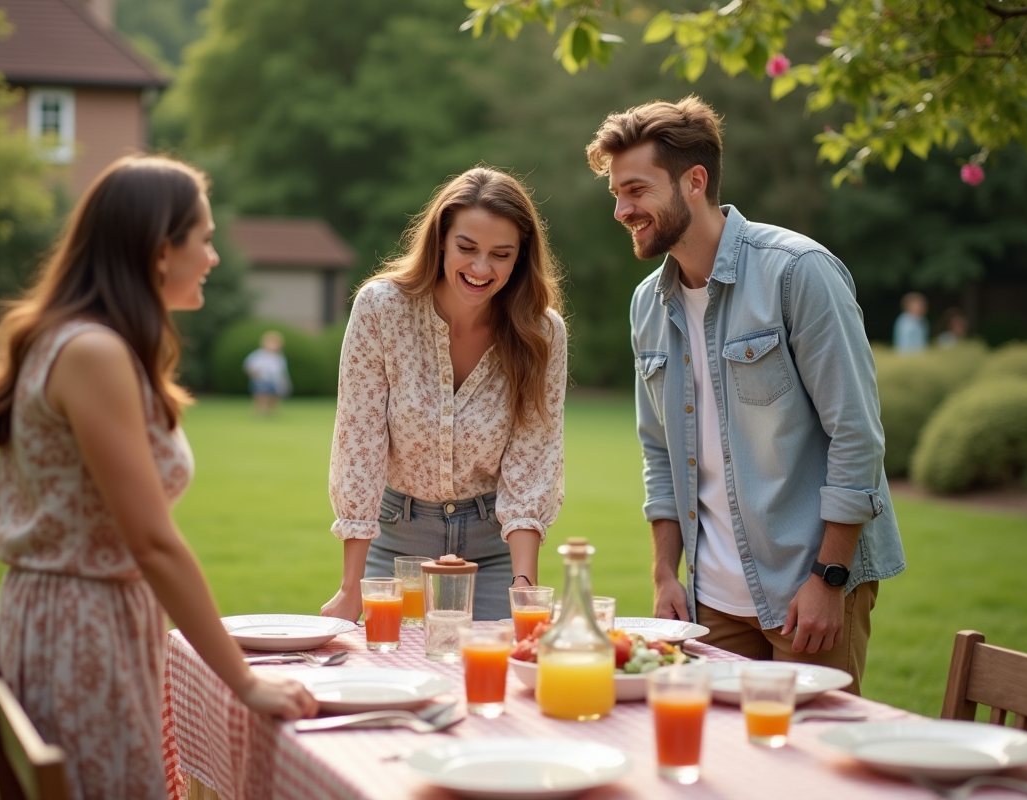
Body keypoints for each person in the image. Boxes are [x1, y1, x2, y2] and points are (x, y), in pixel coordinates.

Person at [0, 155, 317, 800]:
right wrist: (244, 681)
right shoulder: (93, 352)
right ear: (159, 250)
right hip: (83, 632)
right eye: (204, 239)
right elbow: (152, 541)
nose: (212, 257)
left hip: (69, 618)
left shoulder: (80, 341)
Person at [586, 96, 904, 694]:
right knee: (714, 747)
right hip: (709, 604)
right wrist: (664, 572)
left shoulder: (797, 271)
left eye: (635, 191)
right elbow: (659, 451)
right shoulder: (647, 305)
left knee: (809, 749)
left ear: (694, 182)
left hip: (807, 589)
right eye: (617, 195)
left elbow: (856, 434)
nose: (622, 210)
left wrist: (830, 577)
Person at [321, 167, 567, 623]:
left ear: (520, 258)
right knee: (388, 663)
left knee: (500, 665)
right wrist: (350, 587)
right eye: (466, 248)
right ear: (440, 242)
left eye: (501, 254)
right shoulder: (381, 308)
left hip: (494, 551)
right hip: (397, 545)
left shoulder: (542, 332)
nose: (480, 268)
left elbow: (533, 460)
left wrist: (523, 589)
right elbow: (359, 444)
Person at [243, 330, 291, 415]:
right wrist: (254, 374)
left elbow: (282, 370)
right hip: (260, 379)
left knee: (274, 397)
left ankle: (272, 411)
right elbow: (248, 366)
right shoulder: (258, 355)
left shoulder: (279, 357)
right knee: (261, 396)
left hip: (274, 380)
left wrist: (284, 381)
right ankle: (259, 411)